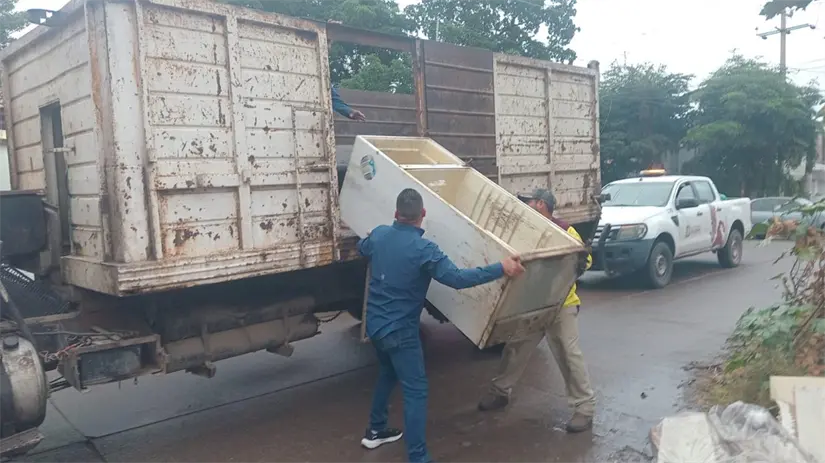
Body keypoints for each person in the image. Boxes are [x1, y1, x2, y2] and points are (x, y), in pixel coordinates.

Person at [358, 188, 525, 463]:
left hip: (375, 326)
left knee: (388, 373)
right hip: (401, 332)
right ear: (422, 215)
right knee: (416, 390)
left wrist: (370, 239)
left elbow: (362, 246)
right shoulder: (425, 250)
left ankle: (375, 430)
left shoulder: (378, 235)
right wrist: (501, 268)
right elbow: (457, 279)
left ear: (395, 213)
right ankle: (418, 457)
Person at [477, 188, 597, 434]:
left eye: (528, 201)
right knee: (515, 349)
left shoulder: (564, 230)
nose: (525, 205)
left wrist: (577, 262)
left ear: (541, 204)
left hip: (561, 304)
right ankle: (500, 392)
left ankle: (584, 409)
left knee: (567, 352)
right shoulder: (523, 228)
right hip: (531, 304)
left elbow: (585, 260)